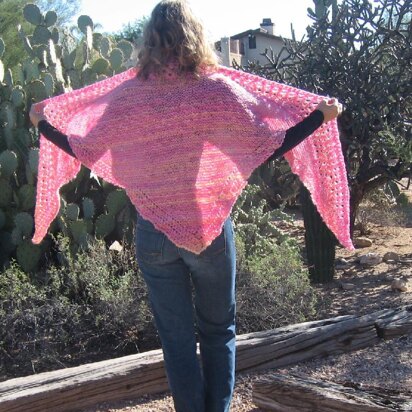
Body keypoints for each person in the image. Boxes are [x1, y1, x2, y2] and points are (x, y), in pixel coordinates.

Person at [29, 1, 343, 411]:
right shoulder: (214, 91)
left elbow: (84, 147)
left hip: (153, 234)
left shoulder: (128, 97)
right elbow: (268, 144)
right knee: (218, 331)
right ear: (194, 36)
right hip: (208, 229)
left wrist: (43, 125)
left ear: (149, 40)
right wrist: (318, 118)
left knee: (177, 342)